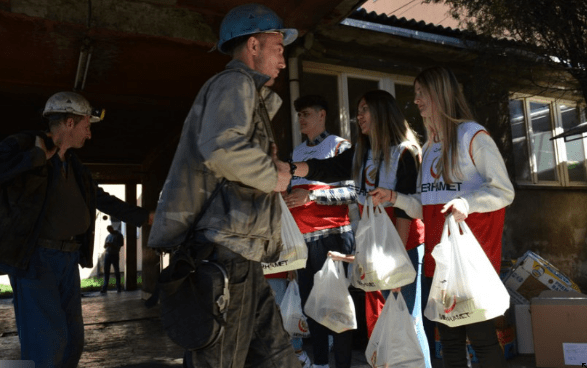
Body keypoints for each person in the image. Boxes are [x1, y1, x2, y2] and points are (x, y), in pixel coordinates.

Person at [147, 4, 299, 367]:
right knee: (221, 360)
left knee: (277, 357)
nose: (282, 61)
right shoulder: (234, 82)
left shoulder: (247, 91)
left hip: (239, 252)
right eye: (278, 49)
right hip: (227, 252)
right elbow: (221, 146)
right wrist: (273, 176)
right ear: (253, 46)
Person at [369, 66, 515, 368]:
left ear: (442, 95)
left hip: (473, 262)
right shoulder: (429, 147)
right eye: (416, 94)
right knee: (448, 344)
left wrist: (467, 202)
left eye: (423, 93)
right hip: (439, 262)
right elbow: (427, 208)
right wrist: (395, 198)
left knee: (483, 341)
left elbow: (503, 191)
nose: (417, 100)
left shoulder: (472, 135)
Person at [0, 91, 153, 368]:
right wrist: (34, 158)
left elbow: (101, 198)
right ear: (70, 123)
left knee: (72, 340)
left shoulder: (74, 165)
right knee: (45, 344)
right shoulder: (23, 146)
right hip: (35, 258)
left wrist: (145, 217)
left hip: (67, 260)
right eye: (87, 126)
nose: (89, 134)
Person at [296, 90, 431, 366]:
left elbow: (407, 211)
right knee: (385, 319)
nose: (359, 116)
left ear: (382, 113)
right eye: (358, 110)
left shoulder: (405, 151)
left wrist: (398, 263)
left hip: (402, 247)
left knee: (407, 320)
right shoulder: (362, 152)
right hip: (375, 246)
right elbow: (327, 169)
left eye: (365, 109)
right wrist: (290, 168)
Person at [282, 94, 356, 368]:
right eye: (298, 114)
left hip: (333, 236)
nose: (301, 119)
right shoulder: (296, 153)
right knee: (311, 308)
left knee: (337, 309)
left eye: (306, 113)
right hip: (302, 241)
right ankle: (321, 364)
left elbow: (354, 191)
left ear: (322, 114)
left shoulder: (339, 146)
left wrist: (312, 198)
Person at [101, 225, 124, 293]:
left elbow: (121, 244)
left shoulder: (119, 235)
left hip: (114, 254)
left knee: (116, 271)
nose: (109, 231)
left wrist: (112, 245)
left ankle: (118, 287)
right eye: (108, 230)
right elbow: (104, 246)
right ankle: (105, 288)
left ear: (112, 228)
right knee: (106, 271)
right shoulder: (108, 236)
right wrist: (106, 245)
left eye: (109, 229)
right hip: (107, 254)